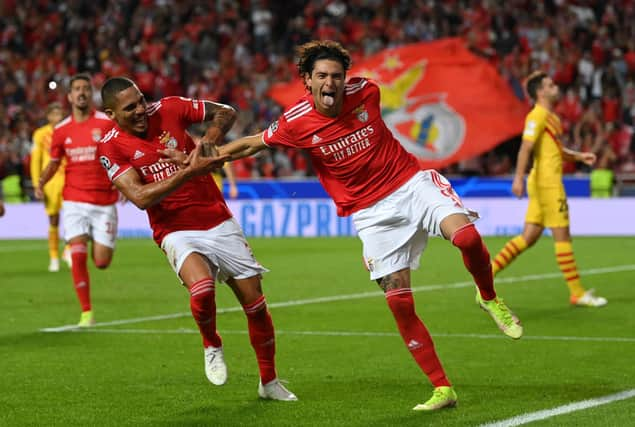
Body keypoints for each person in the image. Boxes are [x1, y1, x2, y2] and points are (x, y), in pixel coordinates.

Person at [215, 40, 522, 411]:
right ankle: (443, 388)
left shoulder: (368, 92)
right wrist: (201, 157)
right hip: (371, 214)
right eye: (322, 77)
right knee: (400, 304)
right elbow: (250, 145)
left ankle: (488, 297)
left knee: (468, 237)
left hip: (411, 184)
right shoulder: (295, 122)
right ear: (307, 81)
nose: (331, 83)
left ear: (346, 79)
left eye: (337, 76)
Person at [97, 76, 297, 401]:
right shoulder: (109, 146)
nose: (140, 110)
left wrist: (209, 139)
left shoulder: (172, 108)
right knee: (202, 289)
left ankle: (269, 382)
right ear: (111, 114)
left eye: (141, 100)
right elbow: (141, 197)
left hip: (217, 218)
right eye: (129, 107)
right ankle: (211, 342)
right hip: (175, 229)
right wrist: (189, 171)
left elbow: (227, 112)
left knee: (256, 306)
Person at [491, 71, 607, 307]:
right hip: (548, 183)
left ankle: (486, 275)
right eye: (550, 85)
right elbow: (526, 148)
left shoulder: (551, 118)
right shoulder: (537, 115)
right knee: (562, 236)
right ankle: (577, 292)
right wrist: (517, 179)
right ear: (541, 92)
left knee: (529, 237)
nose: (555, 87)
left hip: (542, 181)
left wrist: (578, 156)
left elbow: (555, 149)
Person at [38, 74, 119, 327]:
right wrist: (41, 183)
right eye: (77, 89)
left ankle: (92, 237)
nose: (81, 93)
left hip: (104, 201)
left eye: (86, 88)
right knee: (77, 254)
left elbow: (122, 153)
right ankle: (86, 312)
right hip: (73, 199)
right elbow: (53, 162)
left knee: (102, 262)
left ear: (91, 93)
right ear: (70, 96)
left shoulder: (107, 124)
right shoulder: (60, 130)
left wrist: (130, 183)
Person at [31, 102, 72, 272]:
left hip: (69, 179)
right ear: (48, 116)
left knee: (72, 218)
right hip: (50, 182)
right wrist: (37, 184)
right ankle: (53, 257)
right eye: (54, 114)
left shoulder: (69, 130)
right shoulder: (40, 134)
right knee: (53, 219)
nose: (58, 117)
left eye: (60, 113)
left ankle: (68, 251)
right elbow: (36, 160)